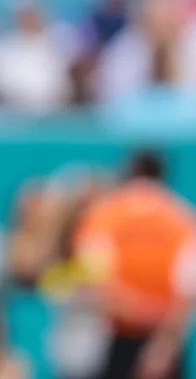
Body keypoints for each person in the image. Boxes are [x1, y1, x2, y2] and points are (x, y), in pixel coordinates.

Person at [73, 149, 196, 379]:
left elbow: (92, 281)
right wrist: (165, 343)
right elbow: (188, 289)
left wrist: (132, 308)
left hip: (114, 339)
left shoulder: (103, 215)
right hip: (163, 338)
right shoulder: (182, 217)